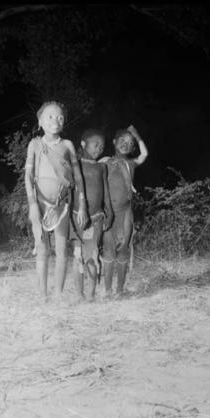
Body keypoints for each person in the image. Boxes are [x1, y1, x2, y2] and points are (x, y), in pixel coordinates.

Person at [24, 101, 88, 300]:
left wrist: (83, 204)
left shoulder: (67, 145)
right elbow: (28, 177)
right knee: (42, 250)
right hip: (40, 205)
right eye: (50, 116)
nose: (56, 120)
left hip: (62, 205)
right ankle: (43, 295)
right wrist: (32, 205)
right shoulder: (35, 144)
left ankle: (58, 295)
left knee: (62, 250)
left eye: (60, 117)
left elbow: (78, 178)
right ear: (40, 121)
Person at [101, 125, 148, 298]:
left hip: (126, 214)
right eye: (122, 141)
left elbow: (144, 155)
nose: (125, 144)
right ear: (114, 142)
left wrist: (137, 135)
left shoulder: (130, 164)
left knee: (123, 250)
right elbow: (89, 169)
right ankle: (107, 290)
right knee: (108, 250)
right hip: (108, 213)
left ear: (133, 147)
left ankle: (119, 290)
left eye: (130, 143)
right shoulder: (105, 161)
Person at [70, 129, 114, 301]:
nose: (99, 149)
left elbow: (106, 192)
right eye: (96, 145)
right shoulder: (76, 165)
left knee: (92, 257)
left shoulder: (101, 167)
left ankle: (90, 295)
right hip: (76, 220)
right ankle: (79, 295)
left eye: (102, 146)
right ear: (83, 144)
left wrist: (109, 213)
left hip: (95, 220)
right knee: (77, 257)